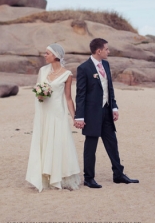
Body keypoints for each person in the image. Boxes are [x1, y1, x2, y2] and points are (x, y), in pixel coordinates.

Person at [74, 38, 139, 188]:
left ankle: (118, 174)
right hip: (91, 114)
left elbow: (109, 89)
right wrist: (80, 116)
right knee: (91, 146)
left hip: (107, 111)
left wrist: (114, 107)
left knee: (112, 143)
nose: (108, 51)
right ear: (99, 51)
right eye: (107, 49)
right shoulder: (84, 68)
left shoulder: (106, 64)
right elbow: (81, 95)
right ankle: (89, 178)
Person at [26, 43, 80, 192]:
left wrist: (75, 117)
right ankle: (43, 176)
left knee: (58, 142)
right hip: (43, 112)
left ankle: (59, 177)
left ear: (56, 56)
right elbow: (38, 89)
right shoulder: (42, 71)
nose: (45, 55)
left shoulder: (67, 74)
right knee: (43, 141)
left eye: (47, 53)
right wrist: (40, 94)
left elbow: (68, 98)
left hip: (57, 113)